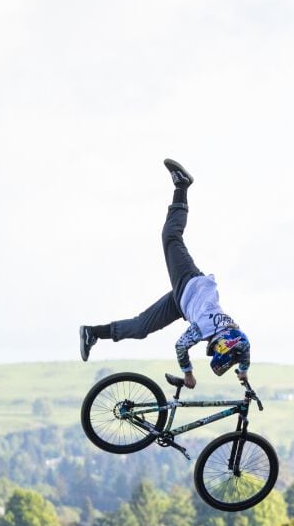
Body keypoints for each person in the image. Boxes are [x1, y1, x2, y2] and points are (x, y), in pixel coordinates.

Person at [80, 160, 251, 390]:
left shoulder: (236, 336)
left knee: (141, 327)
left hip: (184, 303)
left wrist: (243, 372)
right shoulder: (205, 327)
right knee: (170, 237)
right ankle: (182, 186)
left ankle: (93, 333)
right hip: (189, 284)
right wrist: (188, 374)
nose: (209, 350)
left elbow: (245, 353)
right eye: (213, 350)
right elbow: (180, 346)